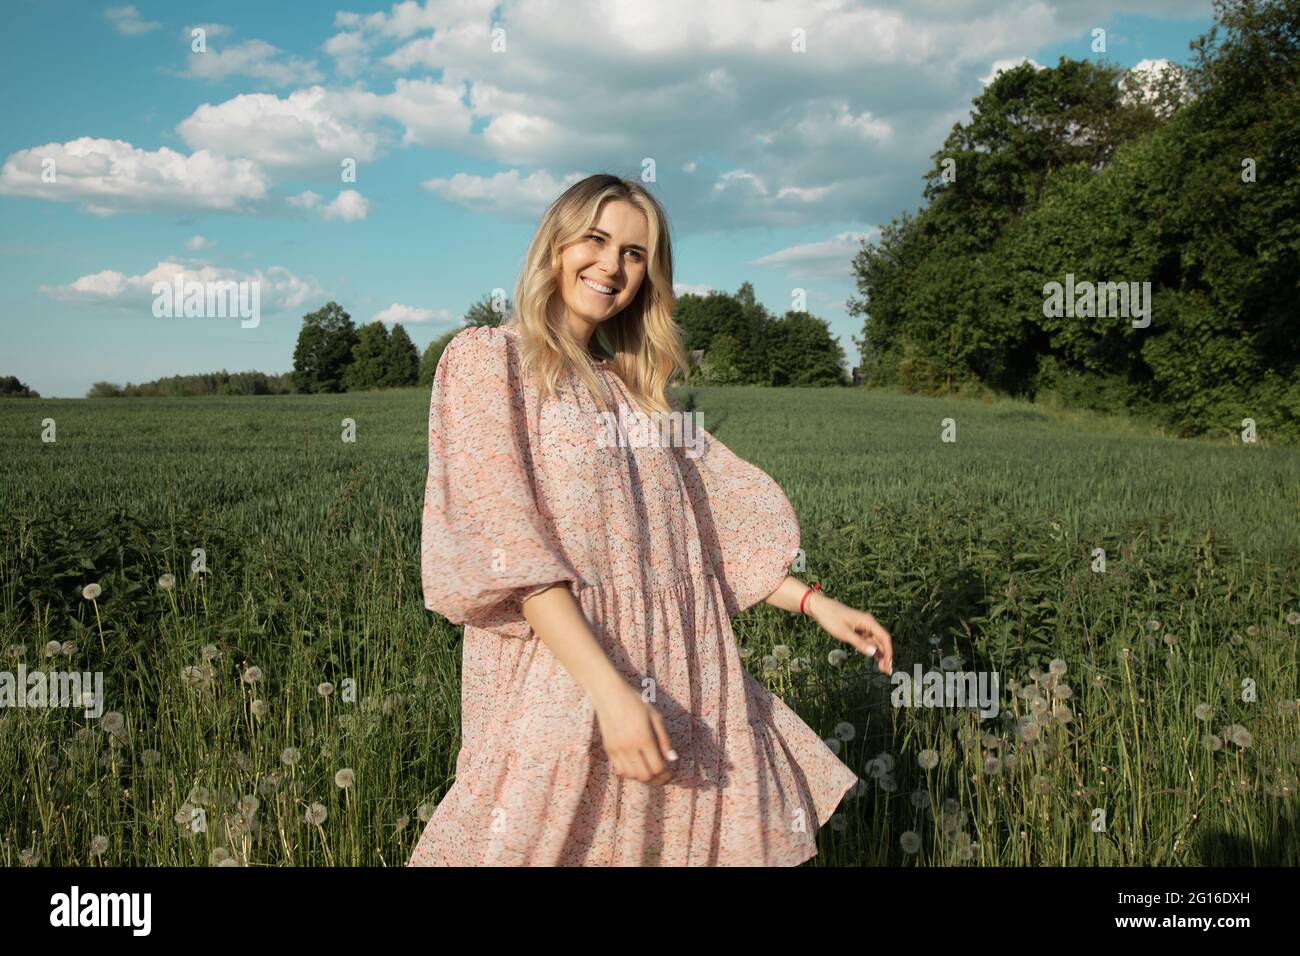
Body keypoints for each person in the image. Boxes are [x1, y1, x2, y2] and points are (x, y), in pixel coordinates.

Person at [408, 173, 894, 866]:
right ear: (555, 245)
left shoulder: (639, 395)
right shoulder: (491, 363)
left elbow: (705, 531)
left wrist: (814, 602)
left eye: (636, 254)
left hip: (684, 671)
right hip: (566, 675)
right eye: (597, 240)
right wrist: (609, 692)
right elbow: (510, 550)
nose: (612, 265)